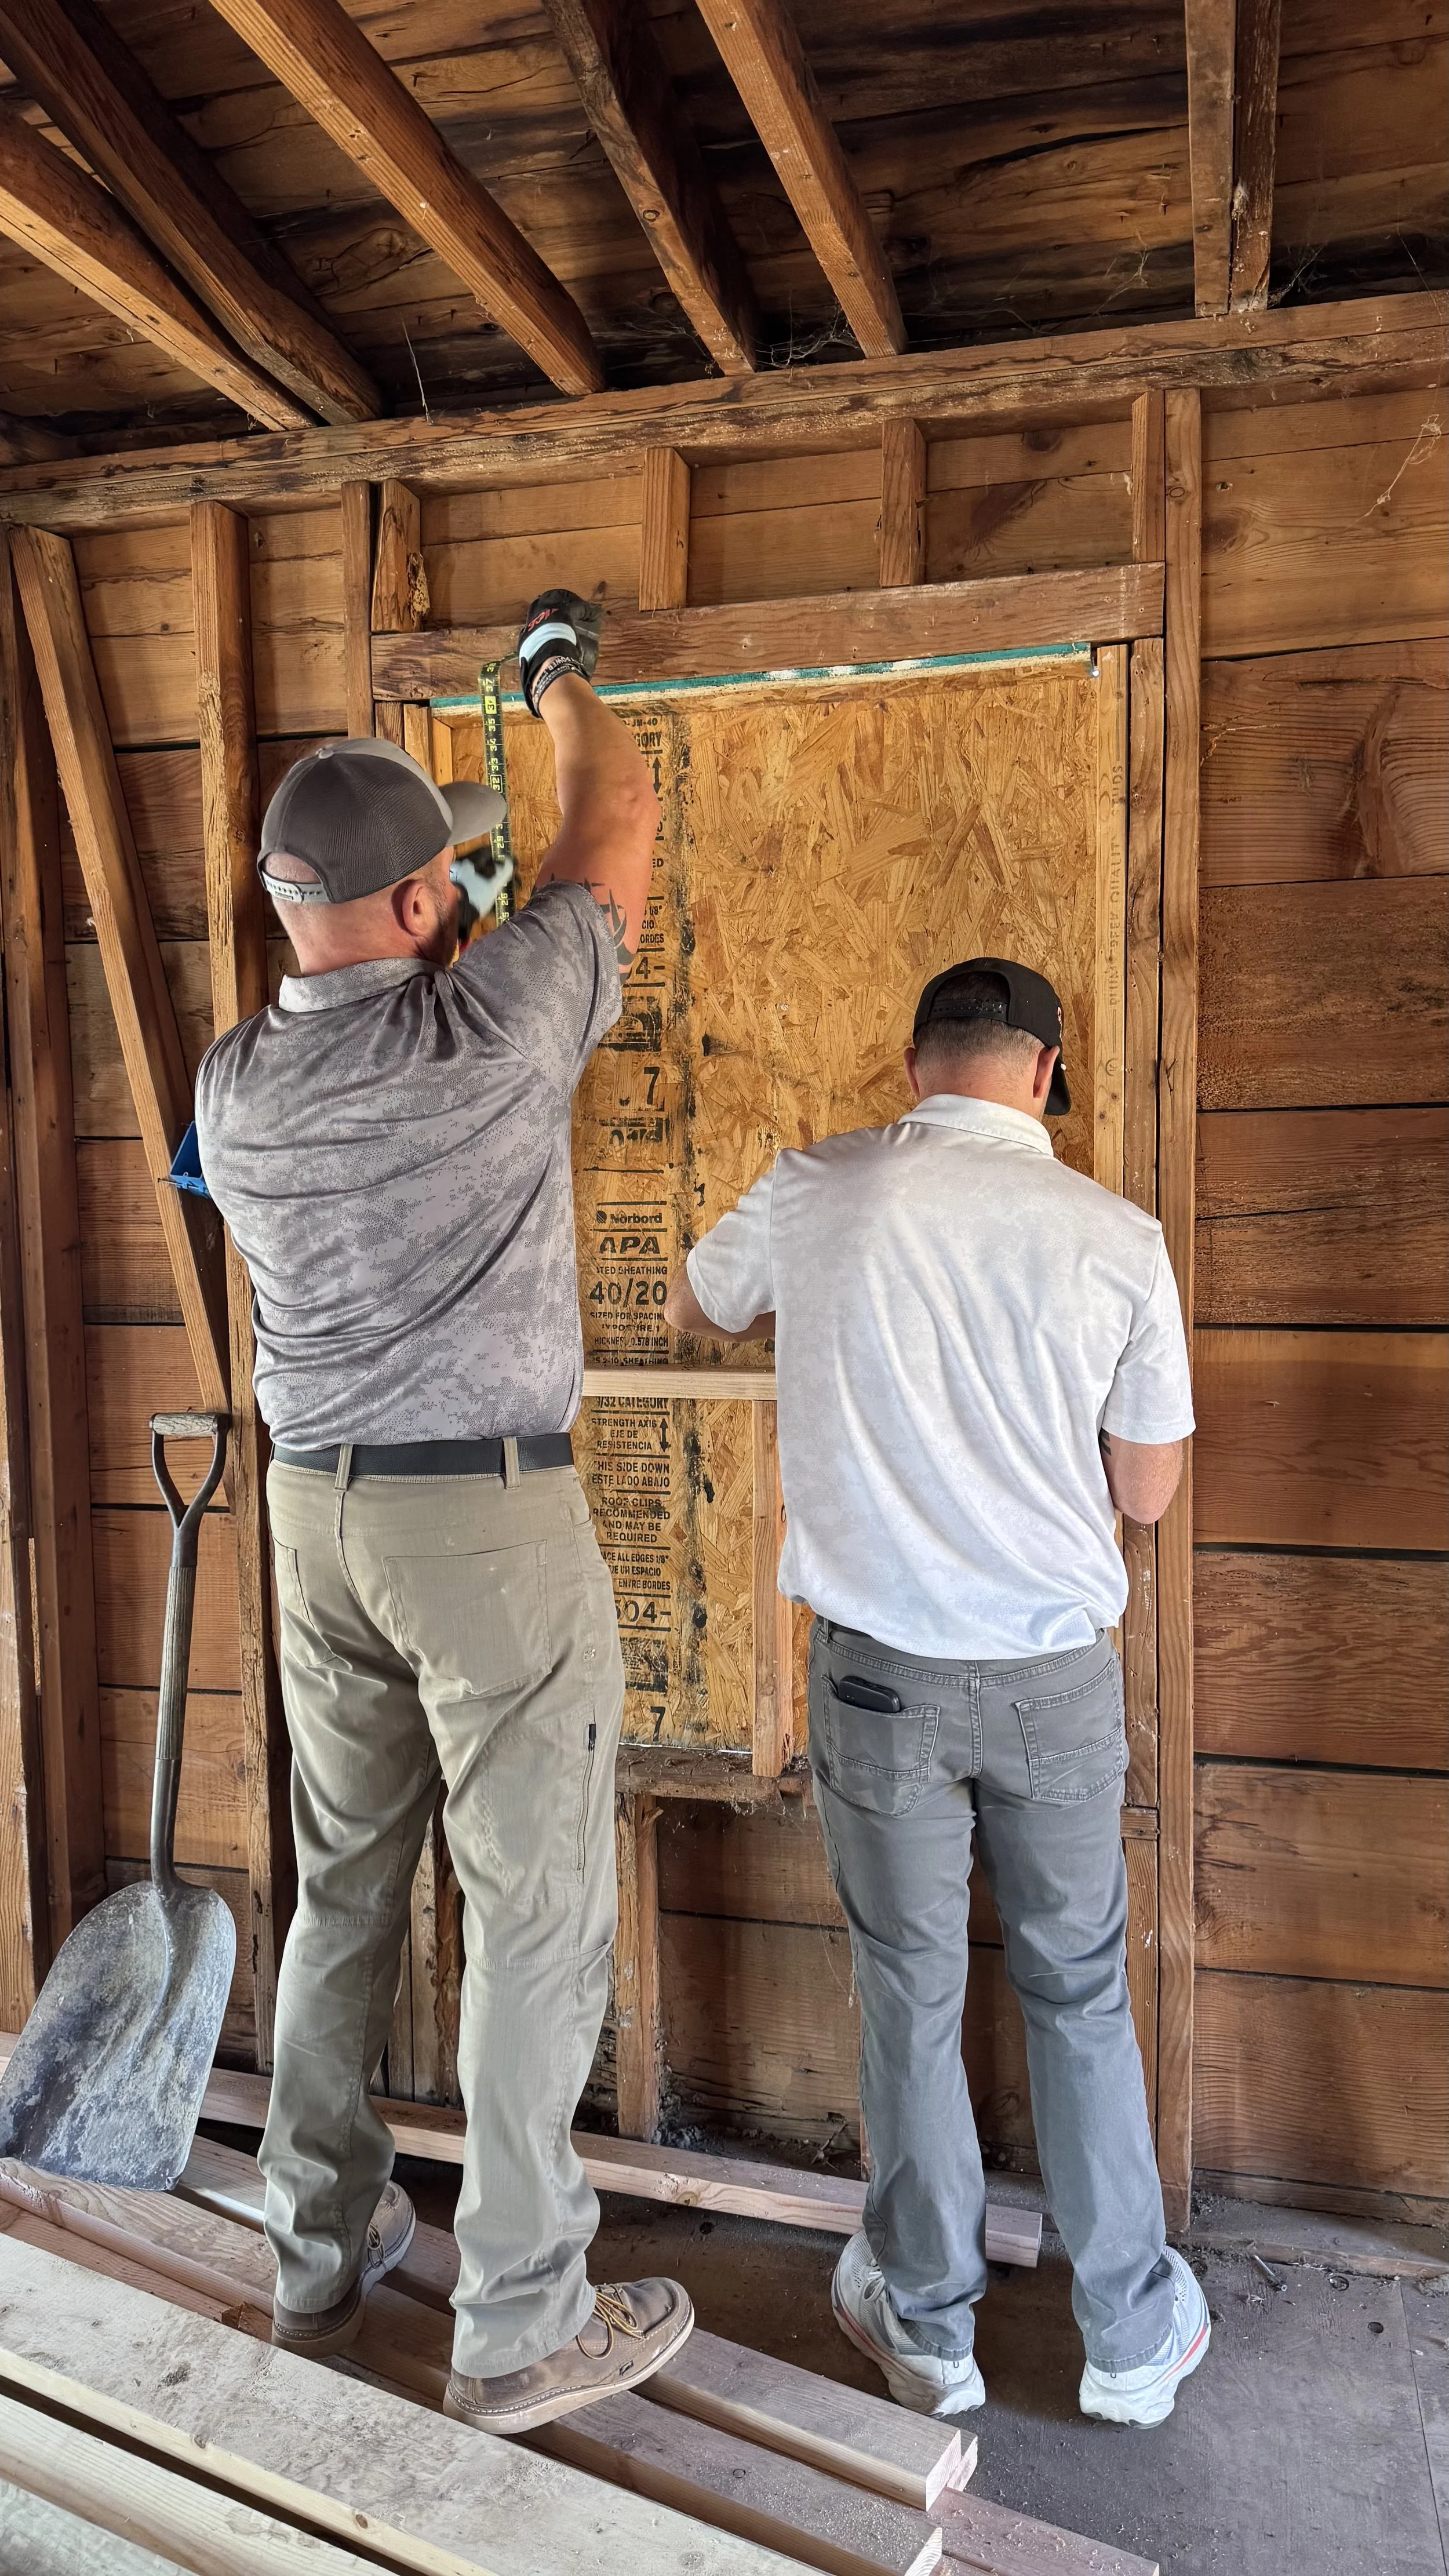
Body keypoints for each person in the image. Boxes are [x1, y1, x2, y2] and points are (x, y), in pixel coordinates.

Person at [195, 590, 695, 2435]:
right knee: (536, 1912)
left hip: (311, 1521)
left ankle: (317, 2265)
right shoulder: (487, 1028)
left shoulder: (234, 1089)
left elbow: (408, 956)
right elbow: (615, 818)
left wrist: (437, 927)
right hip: (481, 1532)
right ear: (416, 912)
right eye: (447, 886)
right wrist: (556, 669)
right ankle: (516, 2322)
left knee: (344, 1895)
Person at [664, 959, 1208, 2429]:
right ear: (1041, 1073)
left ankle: (925, 2326)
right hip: (1048, 1675)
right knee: (1077, 1987)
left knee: (906, 1992)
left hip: (878, 1679)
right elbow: (1144, 1492)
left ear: (914, 1067)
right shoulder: (1116, 1236)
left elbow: (701, 1303)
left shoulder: (816, 1185)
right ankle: (1127, 2338)